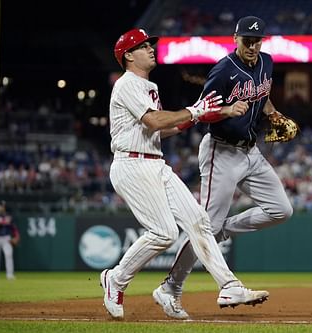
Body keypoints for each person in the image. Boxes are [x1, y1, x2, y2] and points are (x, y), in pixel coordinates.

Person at [99, 28, 269, 320]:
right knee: (163, 233)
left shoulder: (148, 86)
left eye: (152, 44)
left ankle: (229, 286)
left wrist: (199, 115)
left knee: (199, 221)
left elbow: (162, 130)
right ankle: (116, 279)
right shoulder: (127, 84)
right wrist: (193, 110)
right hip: (132, 164)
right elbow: (153, 120)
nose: (152, 48)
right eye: (144, 45)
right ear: (128, 55)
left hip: (154, 162)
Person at [153, 16, 294, 318]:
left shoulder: (267, 62)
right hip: (222, 152)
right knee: (205, 224)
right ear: (235, 38)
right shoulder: (223, 71)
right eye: (247, 40)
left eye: (257, 40)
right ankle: (170, 287)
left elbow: (263, 95)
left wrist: (273, 114)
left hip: (251, 152)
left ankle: (224, 230)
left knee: (281, 210)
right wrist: (227, 110)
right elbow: (200, 113)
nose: (253, 46)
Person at [0, 201, 17, 280]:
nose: (1, 207)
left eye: (3, 206)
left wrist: (15, 236)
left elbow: (13, 226)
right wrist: (3, 221)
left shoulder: (8, 215)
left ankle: (10, 274)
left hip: (6, 237)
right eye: (0, 206)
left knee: (9, 255)